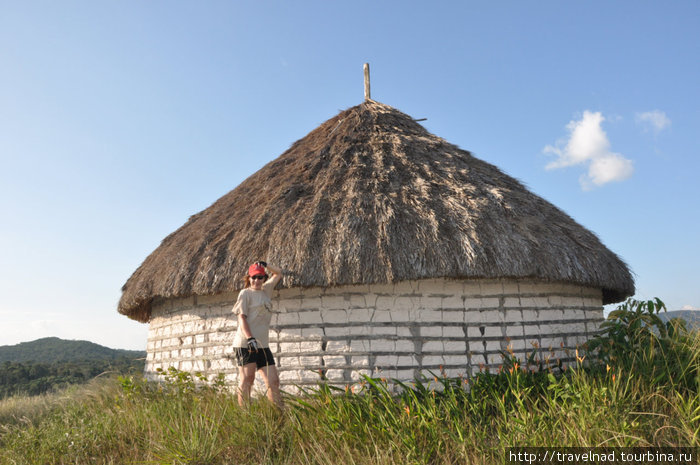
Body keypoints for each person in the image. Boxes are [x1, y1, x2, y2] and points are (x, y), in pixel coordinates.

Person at [231, 261, 283, 407]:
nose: (256, 281)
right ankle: (244, 415)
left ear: (264, 278)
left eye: (260, 277)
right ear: (249, 278)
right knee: (248, 379)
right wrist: (250, 338)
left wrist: (266, 264)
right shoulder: (245, 293)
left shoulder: (267, 290)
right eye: (254, 277)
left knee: (273, 381)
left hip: (262, 345)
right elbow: (241, 317)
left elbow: (278, 273)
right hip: (246, 343)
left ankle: (278, 413)